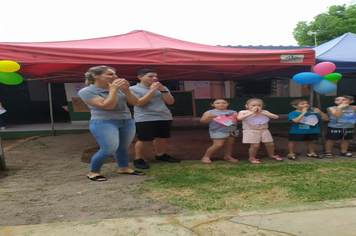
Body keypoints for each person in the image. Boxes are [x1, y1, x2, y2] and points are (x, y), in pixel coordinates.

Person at [78, 65, 144, 182]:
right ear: (95, 76)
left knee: (123, 147)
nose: (115, 76)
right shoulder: (86, 91)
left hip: (126, 120)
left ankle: (123, 168)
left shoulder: (118, 88)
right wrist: (113, 90)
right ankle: (93, 171)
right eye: (110, 74)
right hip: (104, 122)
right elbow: (108, 105)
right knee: (108, 149)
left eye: (115, 74)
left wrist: (127, 89)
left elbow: (136, 102)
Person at [129, 68, 180, 169]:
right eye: (151, 76)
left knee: (161, 137)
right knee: (144, 139)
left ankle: (161, 155)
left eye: (156, 76)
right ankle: (139, 159)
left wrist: (163, 91)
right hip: (145, 118)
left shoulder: (163, 87)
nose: (155, 78)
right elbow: (138, 103)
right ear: (140, 77)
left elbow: (170, 102)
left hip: (164, 116)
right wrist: (151, 91)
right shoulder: (133, 89)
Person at [237, 98, 282, 164]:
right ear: (247, 106)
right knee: (255, 145)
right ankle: (252, 158)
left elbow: (276, 117)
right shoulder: (243, 112)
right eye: (253, 105)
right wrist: (252, 112)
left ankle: (272, 155)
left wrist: (262, 112)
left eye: (259, 105)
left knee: (270, 144)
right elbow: (239, 118)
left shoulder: (264, 112)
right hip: (250, 131)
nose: (256, 107)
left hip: (264, 130)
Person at [200, 98, 239, 163]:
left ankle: (227, 156)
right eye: (218, 103)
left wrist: (238, 116)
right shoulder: (209, 112)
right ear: (212, 104)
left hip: (232, 130)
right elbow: (202, 121)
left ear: (228, 104)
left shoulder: (233, 112)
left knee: (230, 144)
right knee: (218, 145)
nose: (221, 104)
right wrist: (209, 117)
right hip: (217, 130)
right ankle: (206, 156)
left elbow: (239, 119)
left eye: (224, 103)